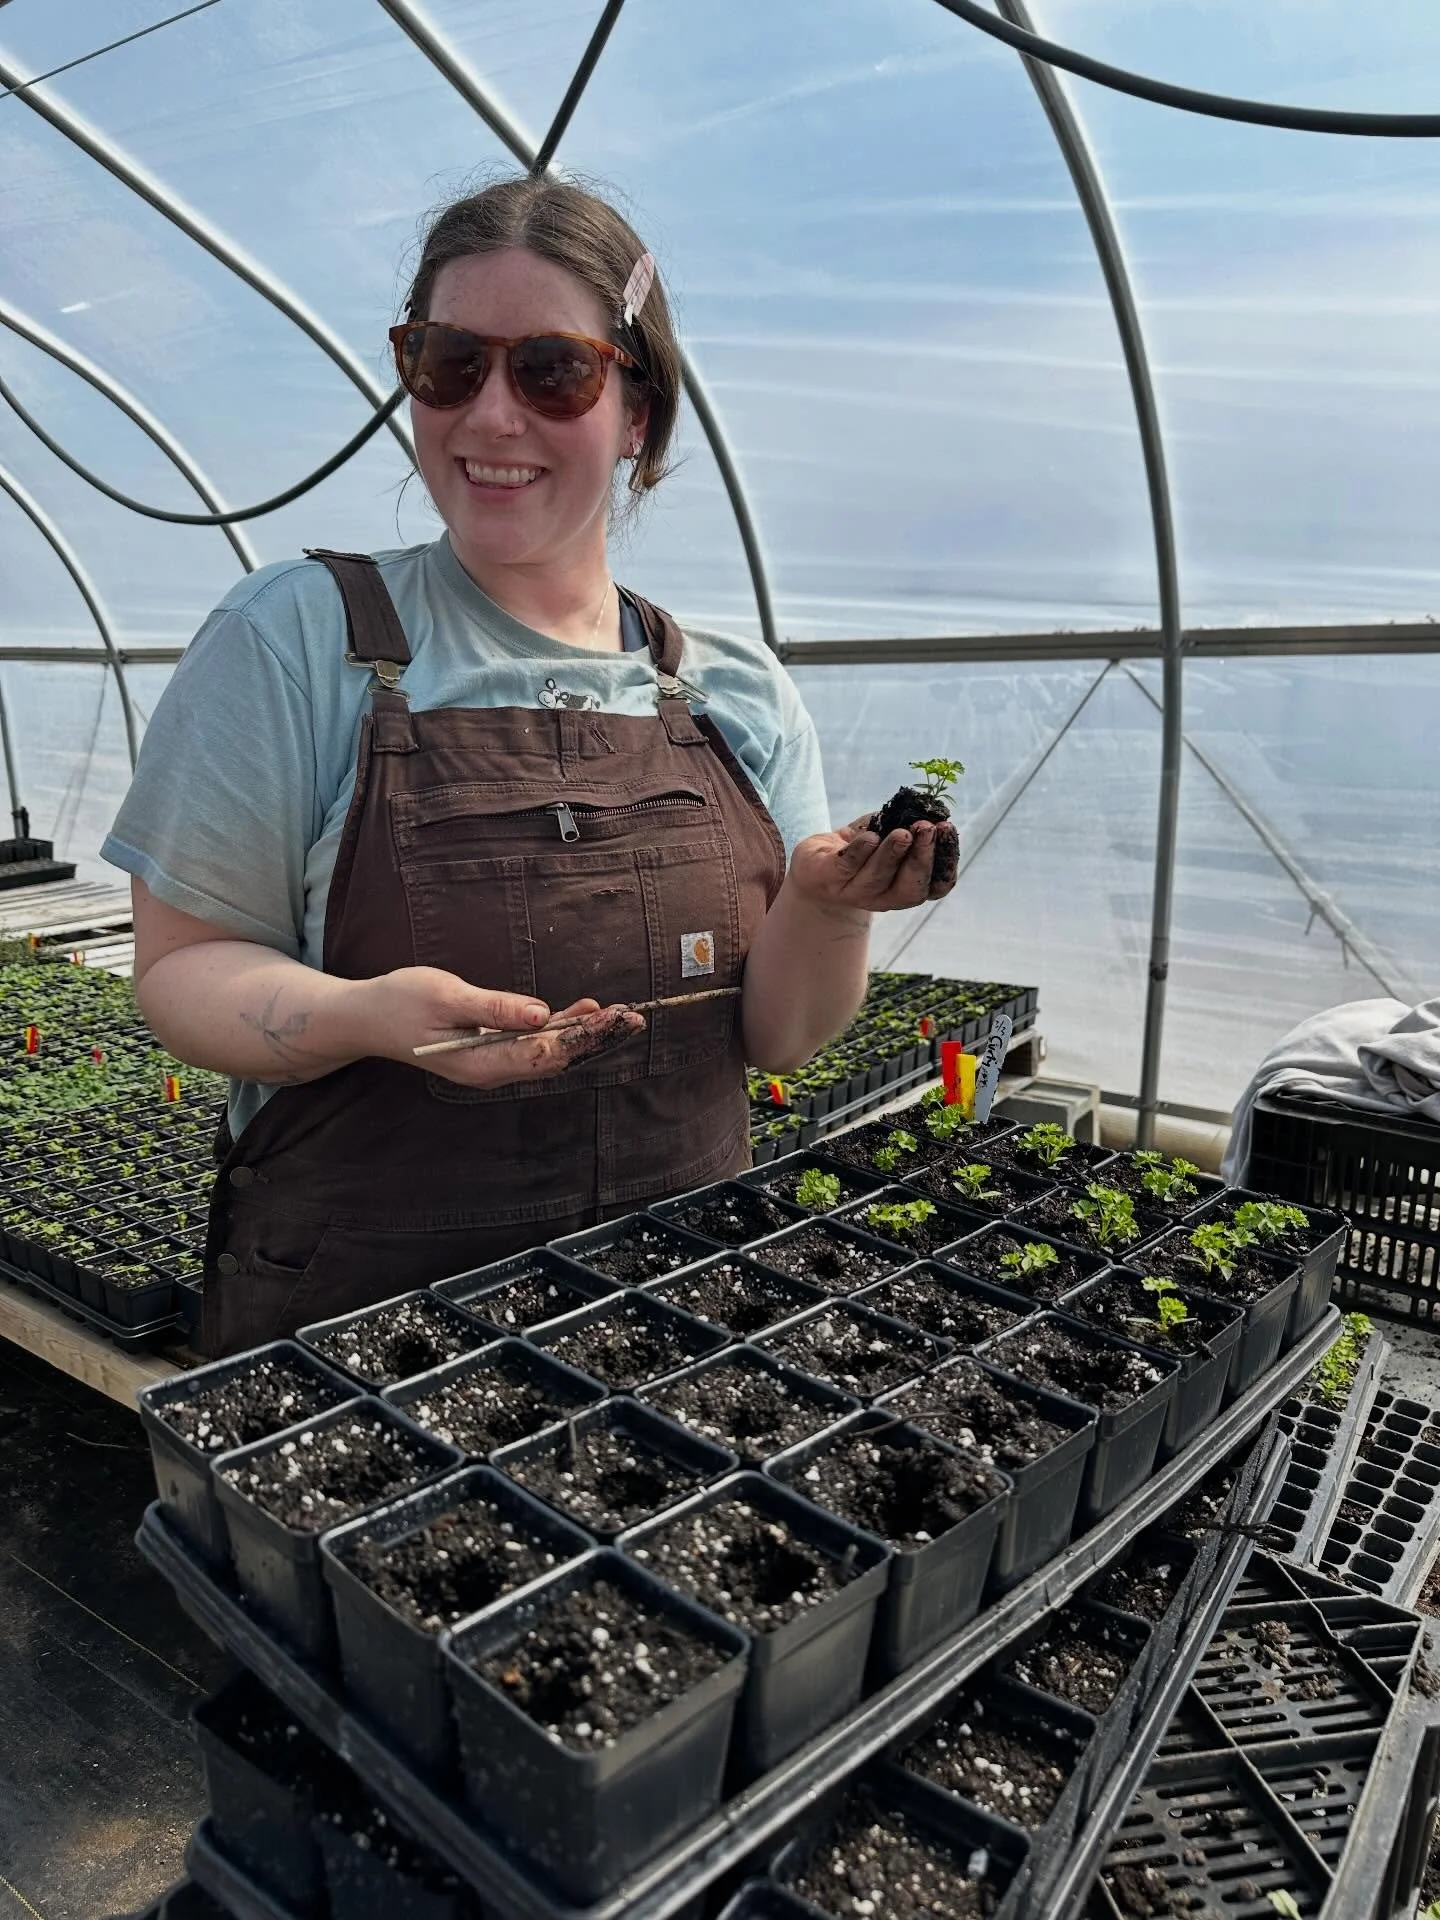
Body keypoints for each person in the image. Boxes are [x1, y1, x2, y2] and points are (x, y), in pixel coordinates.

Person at [103, 175, 957, 1358]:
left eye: (553, 371)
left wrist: (825, 907)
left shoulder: (734, 690)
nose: (492, 416)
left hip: (674, 1317)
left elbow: (780, 1039)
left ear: (640, 412)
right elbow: (183, 969)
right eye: (449, 363)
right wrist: (363, 1017)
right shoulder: (296, 639)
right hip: (361, 1338)